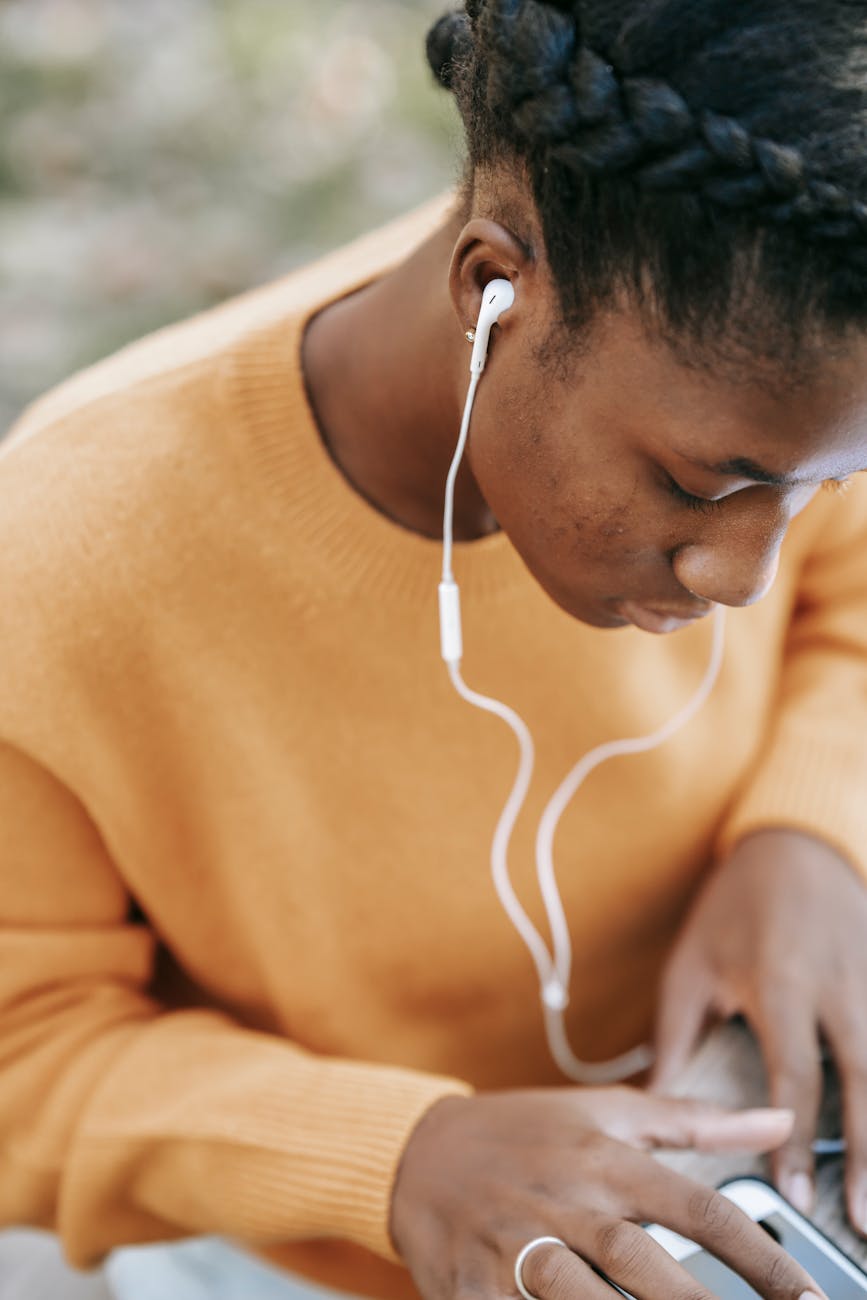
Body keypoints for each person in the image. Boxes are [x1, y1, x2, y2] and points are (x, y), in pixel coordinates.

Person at [2, 0, 867, 1296]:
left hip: (735, 1159)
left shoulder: (782, 370)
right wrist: (401, 1158)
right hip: (323, 1250)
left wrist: (810, 833)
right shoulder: (66, 566)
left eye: (811, 490)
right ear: (491, 294)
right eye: (699, 487)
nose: (744, 572)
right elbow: (27, 1050)